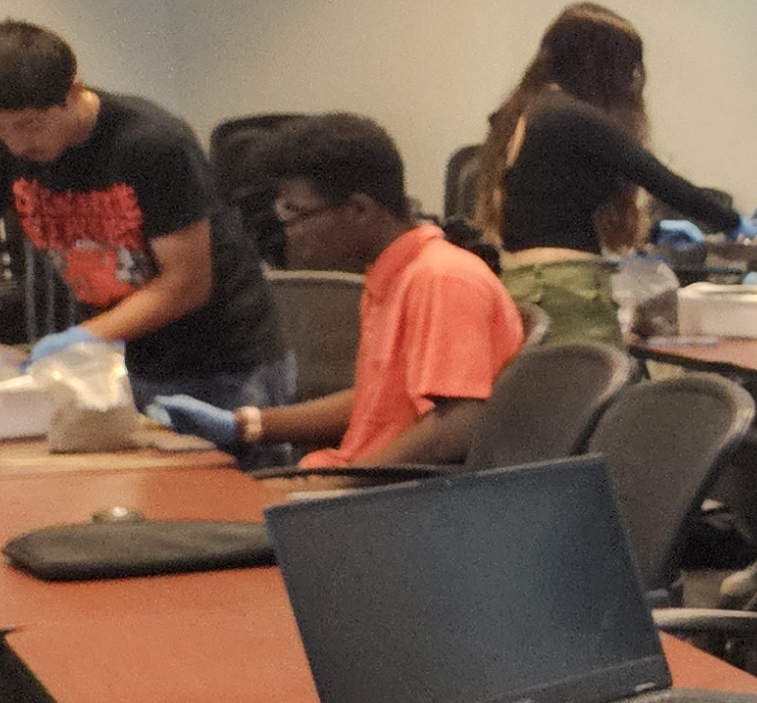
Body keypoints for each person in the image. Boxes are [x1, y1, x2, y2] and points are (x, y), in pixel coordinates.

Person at [146, 115, 522, 469]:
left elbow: (458, 424)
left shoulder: (441, 279)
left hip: (385, 503)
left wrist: (346, 487)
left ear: (359, 210)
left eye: (297, 212)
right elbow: (376, 402)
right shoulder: (393, 274)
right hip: (352, 485)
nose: (289, 230)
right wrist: (246, 423)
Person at [0, 23, 292, 413]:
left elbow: (187, 283)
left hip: (221, 363)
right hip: (117, 363)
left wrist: (78, 338)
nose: (16, 144)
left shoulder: (151, 144)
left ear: (72, 92)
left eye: (30, 125)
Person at [462, 3, 739, 347]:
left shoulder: (526, 114)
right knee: (601, 394)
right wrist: (736, 224)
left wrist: (654, 229)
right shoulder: (569, 116)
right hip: (565, 290)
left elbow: (559, 200)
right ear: (601, 68)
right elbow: (661, 180)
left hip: (528, 283)